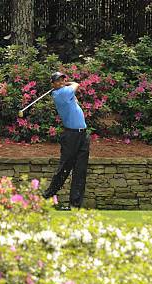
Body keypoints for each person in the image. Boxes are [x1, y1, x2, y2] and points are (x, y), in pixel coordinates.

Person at [43, 71, 90, 210]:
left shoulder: (65, 92)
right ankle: (46, 196)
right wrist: (67, 84)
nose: (61, 82)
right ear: (53, 84)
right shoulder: (60, 94)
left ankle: (75, 205)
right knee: (64, 168)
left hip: (83, 135)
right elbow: (77, 84)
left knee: (80, 171)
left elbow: (73, 90)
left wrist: (64, 84)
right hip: (71, 136)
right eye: (57, 81)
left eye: (62, 79)